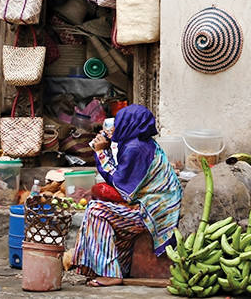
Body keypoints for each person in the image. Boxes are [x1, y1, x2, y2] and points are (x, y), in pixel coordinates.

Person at [72, 104, 182, 287]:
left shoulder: (136, 148)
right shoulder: (140, 142)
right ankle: (116, 268)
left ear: (129, 124)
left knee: (96, 211)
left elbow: (121, 186)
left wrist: (100, 152)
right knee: (105, 210)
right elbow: (122, 175)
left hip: (153, 211)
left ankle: (110, 274)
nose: (114, 127)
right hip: (151, 204)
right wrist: (106, 148)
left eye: (119, 122)